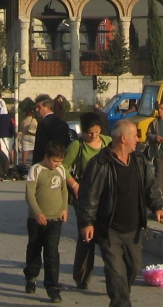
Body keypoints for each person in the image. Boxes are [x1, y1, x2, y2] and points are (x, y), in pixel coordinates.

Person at [76, 120, 163, 307]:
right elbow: (89, 196)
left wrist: (157, 207)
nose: (138, 139)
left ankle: (120, 295)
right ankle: (121, 302)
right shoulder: (100, 163)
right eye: (135, 136)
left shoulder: (139, 160)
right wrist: (87, 222)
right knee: (116, 271)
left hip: (133, 228)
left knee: (133, 267)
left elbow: (150, 187)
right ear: (123, 138)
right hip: (109, 229)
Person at [64, 113, 110, 291]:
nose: (94, 136)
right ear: (83, 131)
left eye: (97, 132)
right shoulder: (77, 145)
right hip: (85, 195)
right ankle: (82, 276)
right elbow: (63, 167)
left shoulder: (107, 142)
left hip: (106, 195)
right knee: (86, 236)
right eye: (90, 133)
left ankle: (112, 274)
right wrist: (74, 185)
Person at [25, 141, 68, 303]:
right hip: (36, 220)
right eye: (54, 161)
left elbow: (64, 191)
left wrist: (64, 209)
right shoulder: (36, 170)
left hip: (55, 219)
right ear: (46, 157)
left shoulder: (61, 170)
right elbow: (29, 194)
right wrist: (37, 212)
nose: (57, 164)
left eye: (60, 161)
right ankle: (31, 277)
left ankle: (52, 287)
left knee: (52, 252)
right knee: (34, 248)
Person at [32, 97, 72, 166]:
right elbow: (67, 143)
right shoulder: (63, 123)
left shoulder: (43, 123)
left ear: (48, 107)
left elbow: (40, 146)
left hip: (45, 162)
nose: (36, 110)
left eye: (39, 107)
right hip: (60, 161)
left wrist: (35, 164)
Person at [144, 101, 163, 194]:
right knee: (159, 171)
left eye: (161, 108)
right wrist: (156, 138)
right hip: (158, 151)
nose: (159, 110)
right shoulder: (154, 123)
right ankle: (158, 189)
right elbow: (148, 135)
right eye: (159, 108)